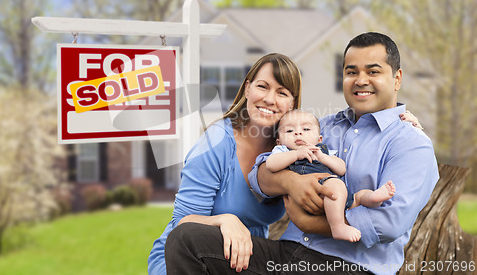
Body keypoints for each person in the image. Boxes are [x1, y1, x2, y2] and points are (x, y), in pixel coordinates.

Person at [164, 32, 439, 275]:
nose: (360, 80)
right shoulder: (321, 127)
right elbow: (259, 174)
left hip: (347, 267)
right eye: (352, 71)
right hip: (285, 257)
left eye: (373, 71)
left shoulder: (411, 143)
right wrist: (290, 182)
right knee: (188, 240)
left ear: (397, 78)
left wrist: (309, 221)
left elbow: (388, 223)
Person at [148, 53, 317, 274]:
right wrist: (224, 220)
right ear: (247, 89)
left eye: (282, 93)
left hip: (244, 259)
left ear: (292, 103)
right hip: (187, 258)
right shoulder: (216, 142)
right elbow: (182, 222)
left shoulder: (289, 148)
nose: (269, 99)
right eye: (263, 86)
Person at [263, 109, 395, 242]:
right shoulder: (283, 151)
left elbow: (341, 169)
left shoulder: (321, 151)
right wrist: (296, 154)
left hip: (337, 197)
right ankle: (337, 226)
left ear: (319, 139)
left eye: (306, 129)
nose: (298, 133)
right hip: (315, 193)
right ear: (279, 141)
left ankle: (373, 198)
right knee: (335, 184)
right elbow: (271, 164)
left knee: (358, 196)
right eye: (289, 131)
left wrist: (323, 157)